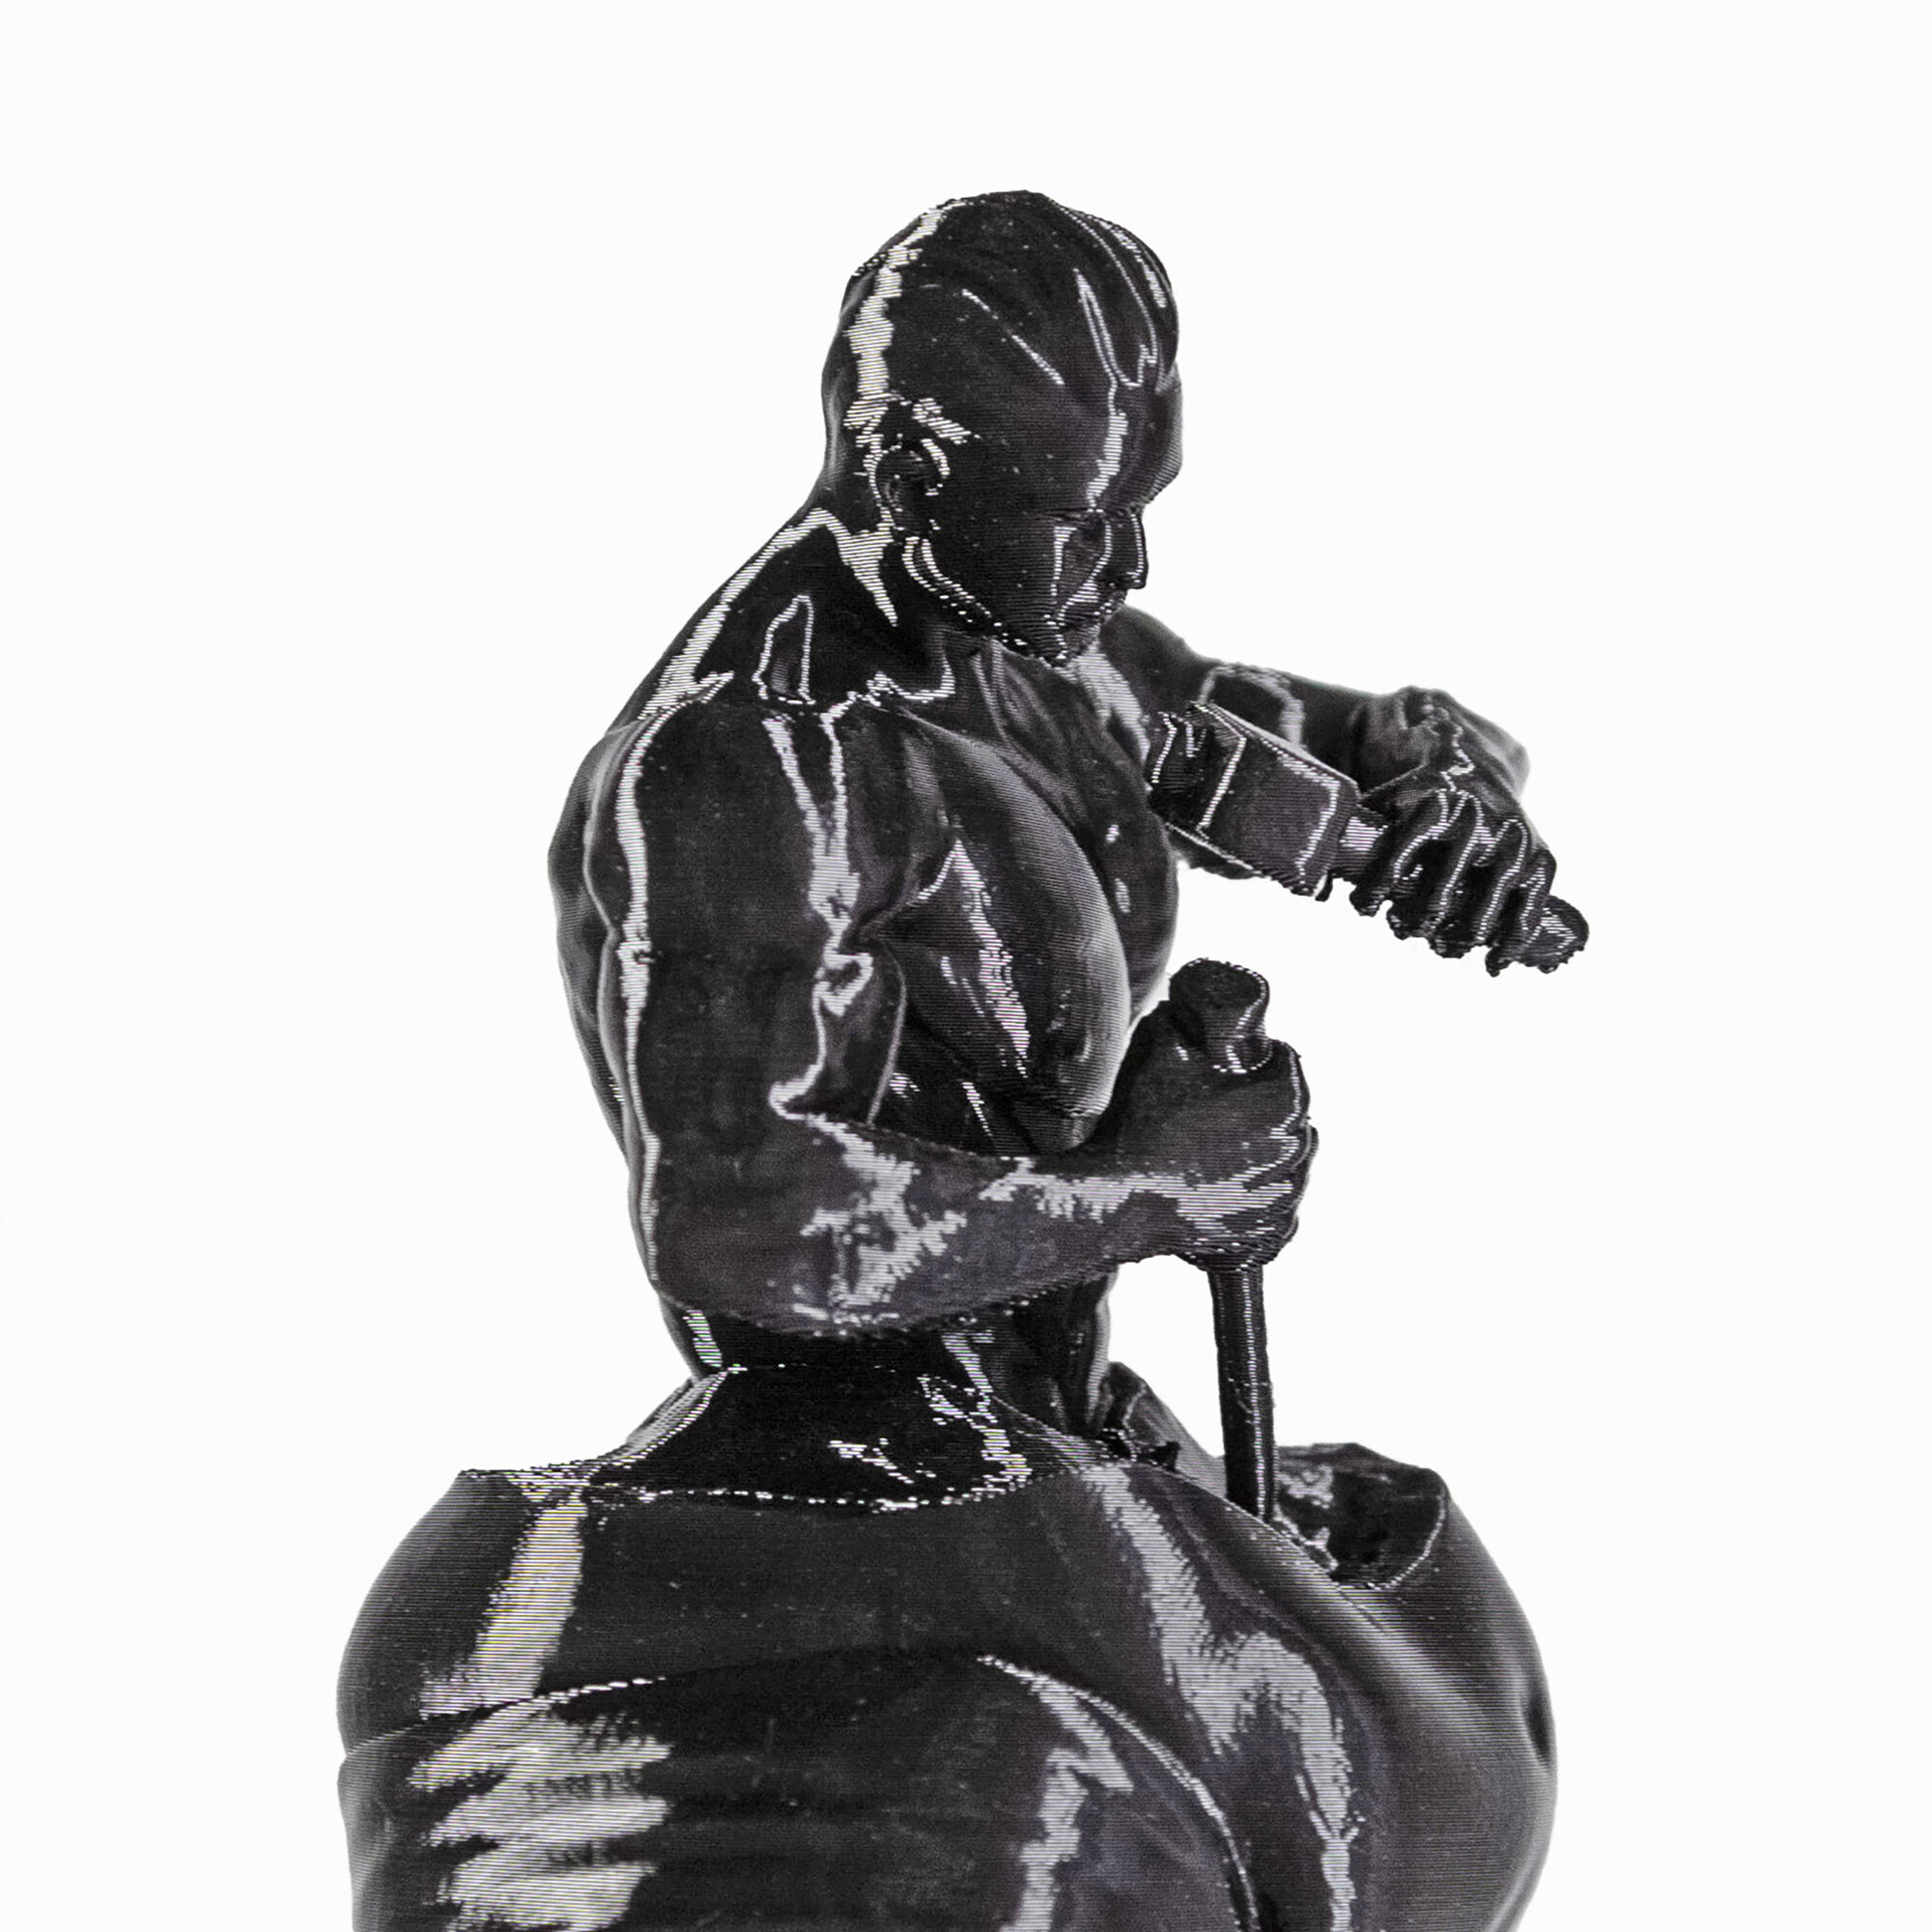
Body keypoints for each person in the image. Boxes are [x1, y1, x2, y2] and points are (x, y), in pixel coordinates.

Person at [340, 192, 1577, 1931]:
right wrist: (1150, 1189)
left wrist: (1450, 801)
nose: (1128, 568)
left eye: (1144, 508)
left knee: (1424, 1721)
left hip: (1040, 1421)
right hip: (860, 1459)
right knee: (1326, 1757)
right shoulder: (758, 758)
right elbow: (745, 1216)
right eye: (1086, 520)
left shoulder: (1043, 650)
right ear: (914, 467)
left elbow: (1351, 739)